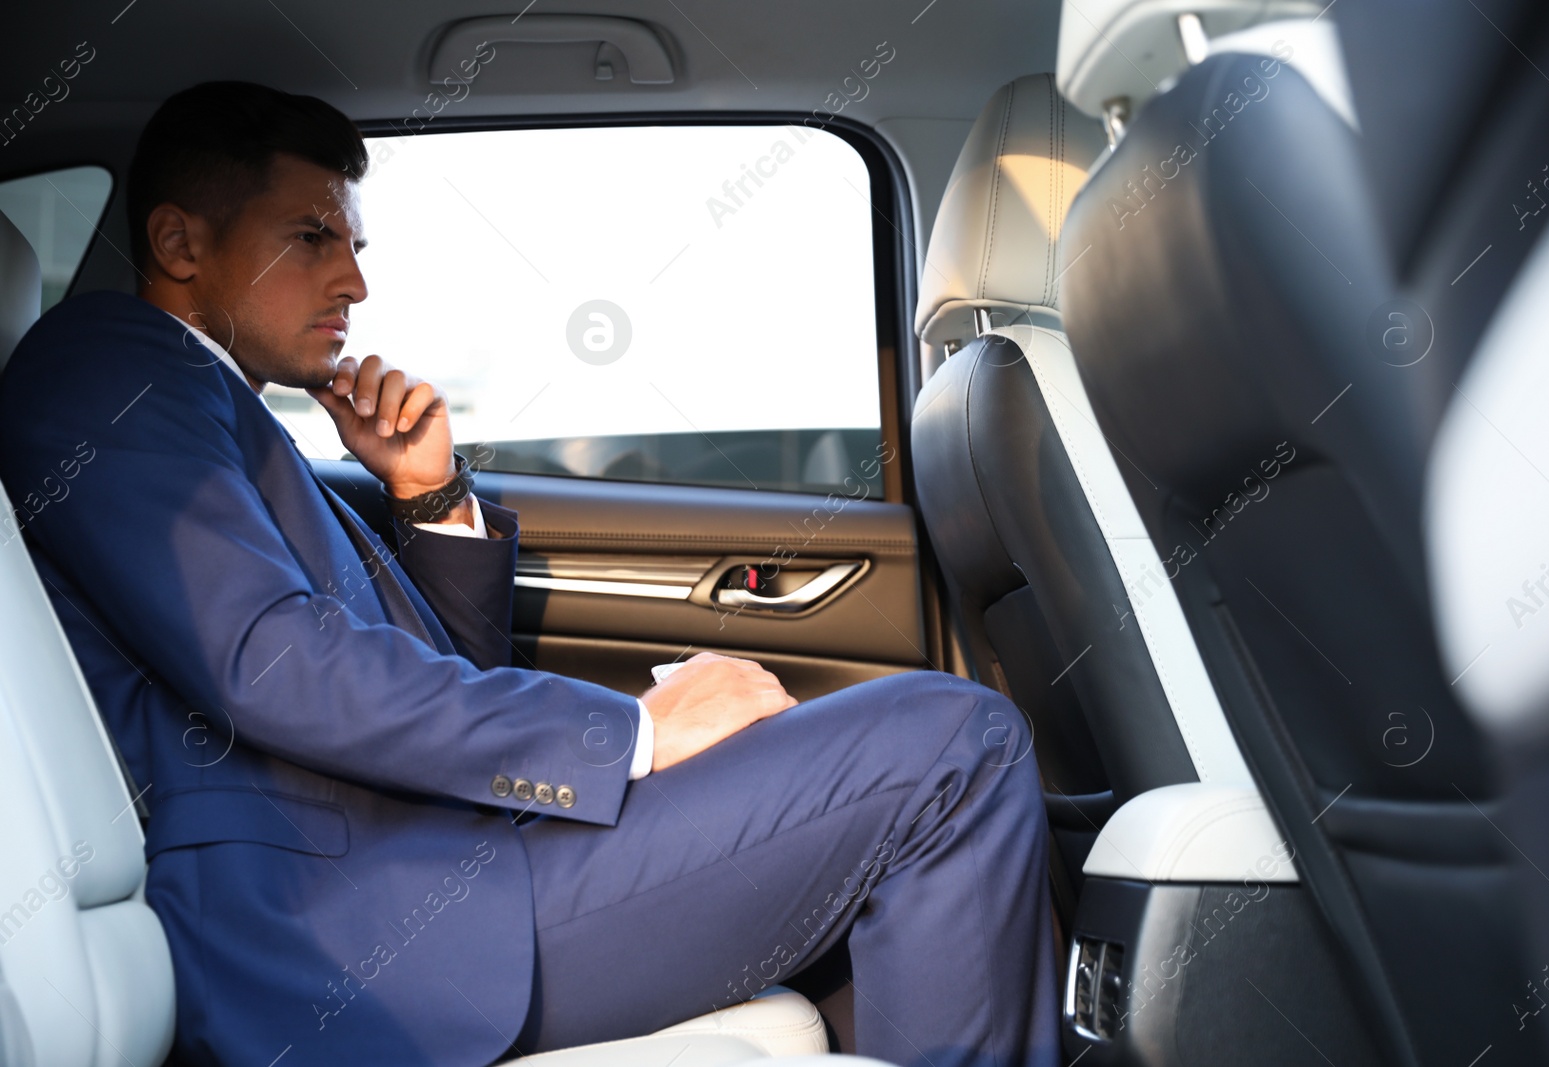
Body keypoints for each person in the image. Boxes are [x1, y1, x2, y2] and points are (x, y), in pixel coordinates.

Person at [0, 81, 1061, 1067]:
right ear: (179, 241)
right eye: (312, 236)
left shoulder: (234, 417)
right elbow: (273, 663)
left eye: (355, 244)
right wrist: (641, 736)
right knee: (951, 749)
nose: (356, 280)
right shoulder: (108, 365)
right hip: (347, 927)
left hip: (424, 869)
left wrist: (427, 495)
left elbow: (413, 678)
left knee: (913, 763)